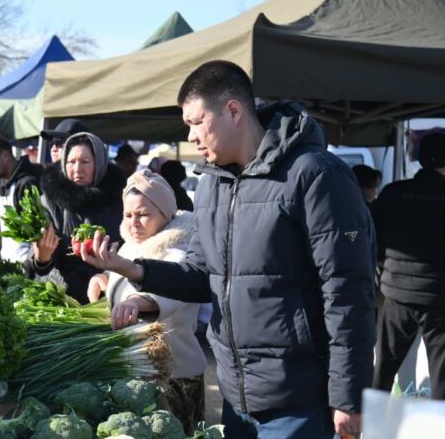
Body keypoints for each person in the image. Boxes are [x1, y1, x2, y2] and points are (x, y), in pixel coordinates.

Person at [78, 61, 376, 439]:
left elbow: (348, 293)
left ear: (233, 111)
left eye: (196, 121)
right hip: (237, 401)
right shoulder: (212, 186)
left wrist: (348, 397)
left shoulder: (315, 175)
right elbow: (202, 276)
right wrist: (128, 267)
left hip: (300, 403)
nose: (191, 136)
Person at [88, 170, 206, 433]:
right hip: (138, 373)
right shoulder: (130, 246)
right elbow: (124, 277)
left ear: (165, 214)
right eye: (128, 215)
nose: (134, 223)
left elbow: (171, 290)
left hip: (177, 377)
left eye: (143, 214)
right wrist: (103, 280)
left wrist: (135, 302)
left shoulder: (180, 248)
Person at [371, 131, 445, 400]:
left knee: (383, 367)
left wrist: (384, 265)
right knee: (441, 378)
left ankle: (367, 427)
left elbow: (363, 234)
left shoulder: (393, 194)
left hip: (397, 295)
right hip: (439, 300)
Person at [32, 131, 126, 303]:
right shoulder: (48, 203)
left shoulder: (121, 201)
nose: (77, 169)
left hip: (110, 296)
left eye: (85, 162)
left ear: (99, 163)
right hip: (62, 300)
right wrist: (42, 258)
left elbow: (132, 250)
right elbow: (39, 265)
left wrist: (108, 272)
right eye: (71, 162)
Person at [0, 136, 43, 262]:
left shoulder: (27, 183)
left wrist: (31, 264)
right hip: (9, 264)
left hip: (27, 264)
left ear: (5, 156)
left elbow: (38, 230)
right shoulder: (3, 183)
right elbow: (2, 228)